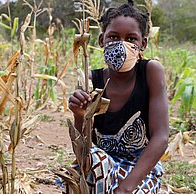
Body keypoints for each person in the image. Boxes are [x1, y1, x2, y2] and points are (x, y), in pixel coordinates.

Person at [67, 0, 169, 193]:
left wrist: (126, 188)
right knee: (85, 174)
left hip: (140, 167)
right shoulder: (90, 79)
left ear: (143, 43)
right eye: (113, 37)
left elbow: (161, 137)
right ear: (101, 40)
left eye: (131, 39)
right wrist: (80, 115)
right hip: (100, 164)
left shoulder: (150, 72)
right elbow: (82, 149)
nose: (121, 45)